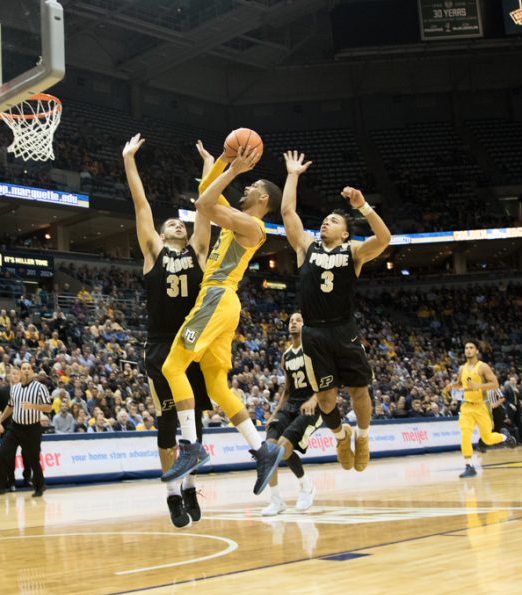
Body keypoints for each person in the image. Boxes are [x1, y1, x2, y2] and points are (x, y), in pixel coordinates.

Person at [160, 146, 285, 498]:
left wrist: (232, 170)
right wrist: (223, 161)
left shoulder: (252, 225)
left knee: (173, 367)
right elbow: (207, 191)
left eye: (250, 185)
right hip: (221, 302)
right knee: (216, 388)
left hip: (216, 298)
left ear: (262, 197)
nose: (243, 189)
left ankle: (191, 446)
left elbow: (203, 205)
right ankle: (262, 449)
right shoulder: (238, 217)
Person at [279, 150, 391, 472]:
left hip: (343, 328)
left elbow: (384, 238)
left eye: (335, 220)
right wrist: (293, 174)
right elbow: (287, 211)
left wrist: (363, 207)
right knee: (326, 400)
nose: (326, 221)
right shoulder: (305, 246)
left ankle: (364, 436)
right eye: (325, 219)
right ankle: (341, 436)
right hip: (314, 332)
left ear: (344, 232)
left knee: (359, 389)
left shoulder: (353, 250)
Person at [123, 134, 214, 528]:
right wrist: (129, 161)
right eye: (171, 223)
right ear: (161, 235)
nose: (178, 223)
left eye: (181, 222)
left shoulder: (198, 251)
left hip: (192, 346)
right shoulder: (152, 253)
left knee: (196, 425)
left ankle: (190, 485)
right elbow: (141, 204)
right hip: (161, 346)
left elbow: (207, 206)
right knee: (166, 423)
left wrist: (211, 165)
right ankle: (173, 495)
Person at [261, 312, 324, 516]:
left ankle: (307, 487)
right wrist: (274, 413)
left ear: (304, 325)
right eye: (291, 321)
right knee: (269, 449)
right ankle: (276, 500)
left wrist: (314, 399)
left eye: (298, 320)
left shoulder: (314, 349)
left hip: (313, 405)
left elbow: (327, 380)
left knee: (284, 448)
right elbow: (287, 390)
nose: (294, 323)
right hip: (290, 405)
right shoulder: (286, 355)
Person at [445, 341, 517, 478]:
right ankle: (469, 466)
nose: (468, 350)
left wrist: (477, 386)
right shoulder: (461, 368)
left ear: (477, 351)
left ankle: (504, 437)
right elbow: (461, 384)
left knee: (488, 438)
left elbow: (495, 384)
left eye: (471, 348)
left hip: (481, 406)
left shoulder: (483, 367)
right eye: (466, 348)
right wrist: (452, 386)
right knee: (465, 434)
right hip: (466, 406)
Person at [0, 363, 52, 498]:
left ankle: (40, 485)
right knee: (1, 454)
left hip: (32, 429)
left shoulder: (40, 388)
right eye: (24, 369)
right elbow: (10, 407)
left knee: (33, 459)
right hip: (15, 428)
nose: (26, 371)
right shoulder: (15, 389)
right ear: (20, 372)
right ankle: (0, 487)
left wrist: (33, 406)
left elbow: (48, 408)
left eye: (29, 368)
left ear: (32, 371)